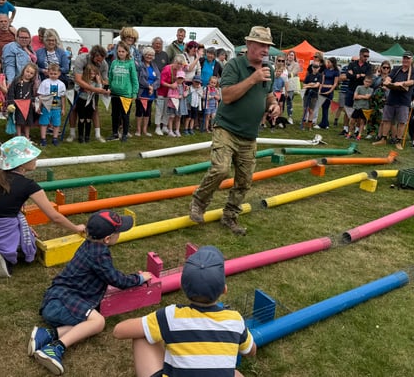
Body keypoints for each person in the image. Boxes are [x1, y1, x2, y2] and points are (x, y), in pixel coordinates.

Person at [29, 210, 152, 375]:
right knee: (98, 322)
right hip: (60, 303)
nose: (120, 234)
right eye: (119, 232)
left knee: (89, 322)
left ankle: (46, 334)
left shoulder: (90, 245)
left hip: (57, 298)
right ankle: (55, 348)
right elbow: (118, 280)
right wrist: (139, 278)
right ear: (107, 239)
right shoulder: (99, 255)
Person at [113, 245, 256, 377]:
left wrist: (150, 326)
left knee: (142, 334)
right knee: (235, 374)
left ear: (181, 286)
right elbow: (251, 351)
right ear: (224, 289)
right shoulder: (235, 320)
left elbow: (119, 331)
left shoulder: (170, 316)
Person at [189, 26, 279, 235]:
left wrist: (274, 105)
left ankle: (230, 216)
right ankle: (199, 202)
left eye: (268, 46)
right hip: (227, 128)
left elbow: (268, 94)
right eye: (261, 45)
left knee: (245, 180)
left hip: (249, 134)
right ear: (248, 45)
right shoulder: (233, 66)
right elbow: (227, 96)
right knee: (221, 169)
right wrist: (253, 79)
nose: (265, 50)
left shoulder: (269, 70)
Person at [0, 136, 85, 278]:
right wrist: (76, 228)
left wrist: (24, 227)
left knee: (21, 230)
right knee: (29, 249)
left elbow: (3, 206)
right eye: (32, 156)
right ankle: (2, 257)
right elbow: (54, 217)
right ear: (22, 163)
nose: (36, 159)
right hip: (2, 227)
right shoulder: (28, 185)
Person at [372, 51, 414, 150]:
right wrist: (388, 81)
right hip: (392, 98)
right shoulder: (397, 69)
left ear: (411, 60)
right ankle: (383, 139)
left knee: (402, 121)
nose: (405, 60)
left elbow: (412, 82)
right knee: (386, 119)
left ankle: (398, 141)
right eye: (404, 58)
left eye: (408, 58)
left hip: (404, 99)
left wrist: (401, 83)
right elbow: (389, 78)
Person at [67, 45, 109, 143]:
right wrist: (94, 89)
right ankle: (72, 134)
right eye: (98, 60)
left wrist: (106, 88)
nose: (100, 62)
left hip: (94, 88)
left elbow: (105, 79)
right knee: (74, 108)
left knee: (94, 109)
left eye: (102, 60)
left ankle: (97, 134)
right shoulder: (81, 59)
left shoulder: (104, 63)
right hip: (76, 86)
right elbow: (78, 79)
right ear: (92, 55)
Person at [107, 41, 138, 142]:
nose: (120, 53)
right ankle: (115, 133)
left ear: (127, 52)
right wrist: (110, 87)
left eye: (123, 51)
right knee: (115, 115)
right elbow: (110, 76)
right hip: (115, 93)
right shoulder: (114, 62)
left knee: (125, 115)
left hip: (126, 94)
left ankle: (125, 134)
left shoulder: (131, 63)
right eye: (119, 51)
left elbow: (134, 79)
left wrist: (134, 92)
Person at [154, 54, 186, 136]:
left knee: (167, 110)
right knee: (159, 110)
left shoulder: (180, 70)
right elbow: (161, 81)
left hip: (171, 94)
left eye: (181, 64)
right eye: (178, 63)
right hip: (162, 92)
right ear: (174, 62)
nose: (179, 65)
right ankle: (157, 127)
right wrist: (170, 86)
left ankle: (164, 126)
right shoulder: (167, 68)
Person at [37, 63, 67, 146]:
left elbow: (63, 97)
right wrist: (39, 106)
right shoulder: (44, 83)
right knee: (44, 123)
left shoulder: (61, 84)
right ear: (48, 73)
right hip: (46, 106)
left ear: (59, 74)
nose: (53, 75)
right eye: (51, 74)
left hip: (56, 107)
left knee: (56, 123)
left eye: (55, 74)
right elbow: (41, 96)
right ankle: (43, 139)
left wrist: (63, 108)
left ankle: (55, 138)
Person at [6, 62, 39, 139]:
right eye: (27, 71)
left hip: (28, 106)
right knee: (18, 121)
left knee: (28, 122)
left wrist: (34, 102)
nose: (28, 74)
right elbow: (11, 91)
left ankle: (27, 137)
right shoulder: (16, 81)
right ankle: (18, 136)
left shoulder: (33, 83)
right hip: (18, 105)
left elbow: (34, 94)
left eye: (31, 73)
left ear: (34, 75)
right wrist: (11, 103)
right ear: (24, 70)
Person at [75, 64, 106, 143]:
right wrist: (84, 88)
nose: (92, 76)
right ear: (86, 73)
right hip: (81, 101)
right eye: (90, 74)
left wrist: (99, 81)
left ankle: (87, 136)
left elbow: (100, 90)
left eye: (94, 74)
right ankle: (81, 136)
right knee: (81, 119)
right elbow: (76, 87)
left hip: (90, 102)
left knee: (88, 119)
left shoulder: (95, 82)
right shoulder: (82, 80)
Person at [135, 46, 161, 137]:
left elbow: (158, 78)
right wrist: (149, 86)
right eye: (147, 54)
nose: (149, 56)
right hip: (142, 91)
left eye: (151, 55)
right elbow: (140, 78)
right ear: (144, 55)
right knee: (139, 111)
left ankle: (145, 130)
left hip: (151, 92)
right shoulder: (140, 65)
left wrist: (152, 87)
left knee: (147, 112)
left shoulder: (154, 65)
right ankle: (138, 130)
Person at [315, 57, 339, 129]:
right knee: (323, 107)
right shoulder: (325, 70)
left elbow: (335, 83)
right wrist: (320, 89)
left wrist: (330, 91)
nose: (327, 64)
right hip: (323, 89)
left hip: (329, 89)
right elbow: (322, 81)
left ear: (333, 63)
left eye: (329, 62)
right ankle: (325, 123)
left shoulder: (336, 72)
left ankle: (324, 123)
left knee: (326, 106)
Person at [349, 73, 374, 141]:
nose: (367, 83)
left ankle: (359, 135)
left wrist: (359, 96)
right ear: (363, 81)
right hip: (357, 107)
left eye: (369, 82)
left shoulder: (371, 90)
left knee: (362, 122)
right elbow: (355, 96)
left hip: (365, 108)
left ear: (371, 83)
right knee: (352, 121)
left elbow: (368, 97)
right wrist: (363, 96)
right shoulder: (359, 87)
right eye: (366, 81)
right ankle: (349, 133)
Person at [300, 58, 322, 130]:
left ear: (319, 68)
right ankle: (303, 124)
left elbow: (317, 85)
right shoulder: (308, 75)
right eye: (314, 67)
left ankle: (309, 125)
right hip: (307, 94)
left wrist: (308, 85)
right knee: (305, 109)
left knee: (311, 110)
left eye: (317, 68)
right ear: (312, 68)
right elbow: (304, 85)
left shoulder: (319, 76)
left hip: (314, 95)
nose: (315, 69)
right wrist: (311, 84)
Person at [166, 70, 188, 137]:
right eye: (179, 78)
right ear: (176, 78)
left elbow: (185, 93)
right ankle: (170, 130)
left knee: (178, 117)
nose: (180, 80)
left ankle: (177, 130)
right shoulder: (174, 85)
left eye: (182, 78)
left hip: (180, 104)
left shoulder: (184, 86)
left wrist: (185, 94)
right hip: (173, 104)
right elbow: (169, 95)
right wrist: (177, 97)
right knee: (172, 117)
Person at [285, 50, 301, 124]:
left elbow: (293, 73)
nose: (290, 56)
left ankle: (290, 117)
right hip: (282, 83)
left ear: (294, 57)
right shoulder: (283, 62)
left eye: (292, 55)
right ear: (287, 55)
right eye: (289, 55)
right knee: (280, 101)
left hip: (291, 85)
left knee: (289, 101)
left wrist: (284, 71)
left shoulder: (296, 64)